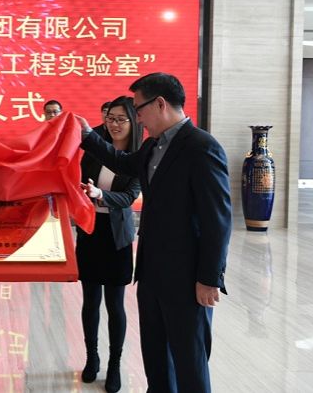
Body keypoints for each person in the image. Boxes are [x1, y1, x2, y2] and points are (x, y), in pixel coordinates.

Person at [77, 73, 232, 393]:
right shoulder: (152, 146)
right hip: (151, 274)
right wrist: (87, 135)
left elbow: (217, 219)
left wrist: (209, 278)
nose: (138, 118)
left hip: (187, 278)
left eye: (139, 109)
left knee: (189, 363)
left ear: (160, 104)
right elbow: (122, 162)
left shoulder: (201, 147)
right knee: (156, 360)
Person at [76, 96, 142, 392]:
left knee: (115, 305)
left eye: (120, 119)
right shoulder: (96, 147)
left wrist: (100, 195)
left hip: (117, 237)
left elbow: (128, 197)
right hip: (91, 231)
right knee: (90, 301)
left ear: (133, 121)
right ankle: (92, 357)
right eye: (110, 118)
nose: (114, 124)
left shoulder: (139, 155)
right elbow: (79, 177)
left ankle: (115, 364)